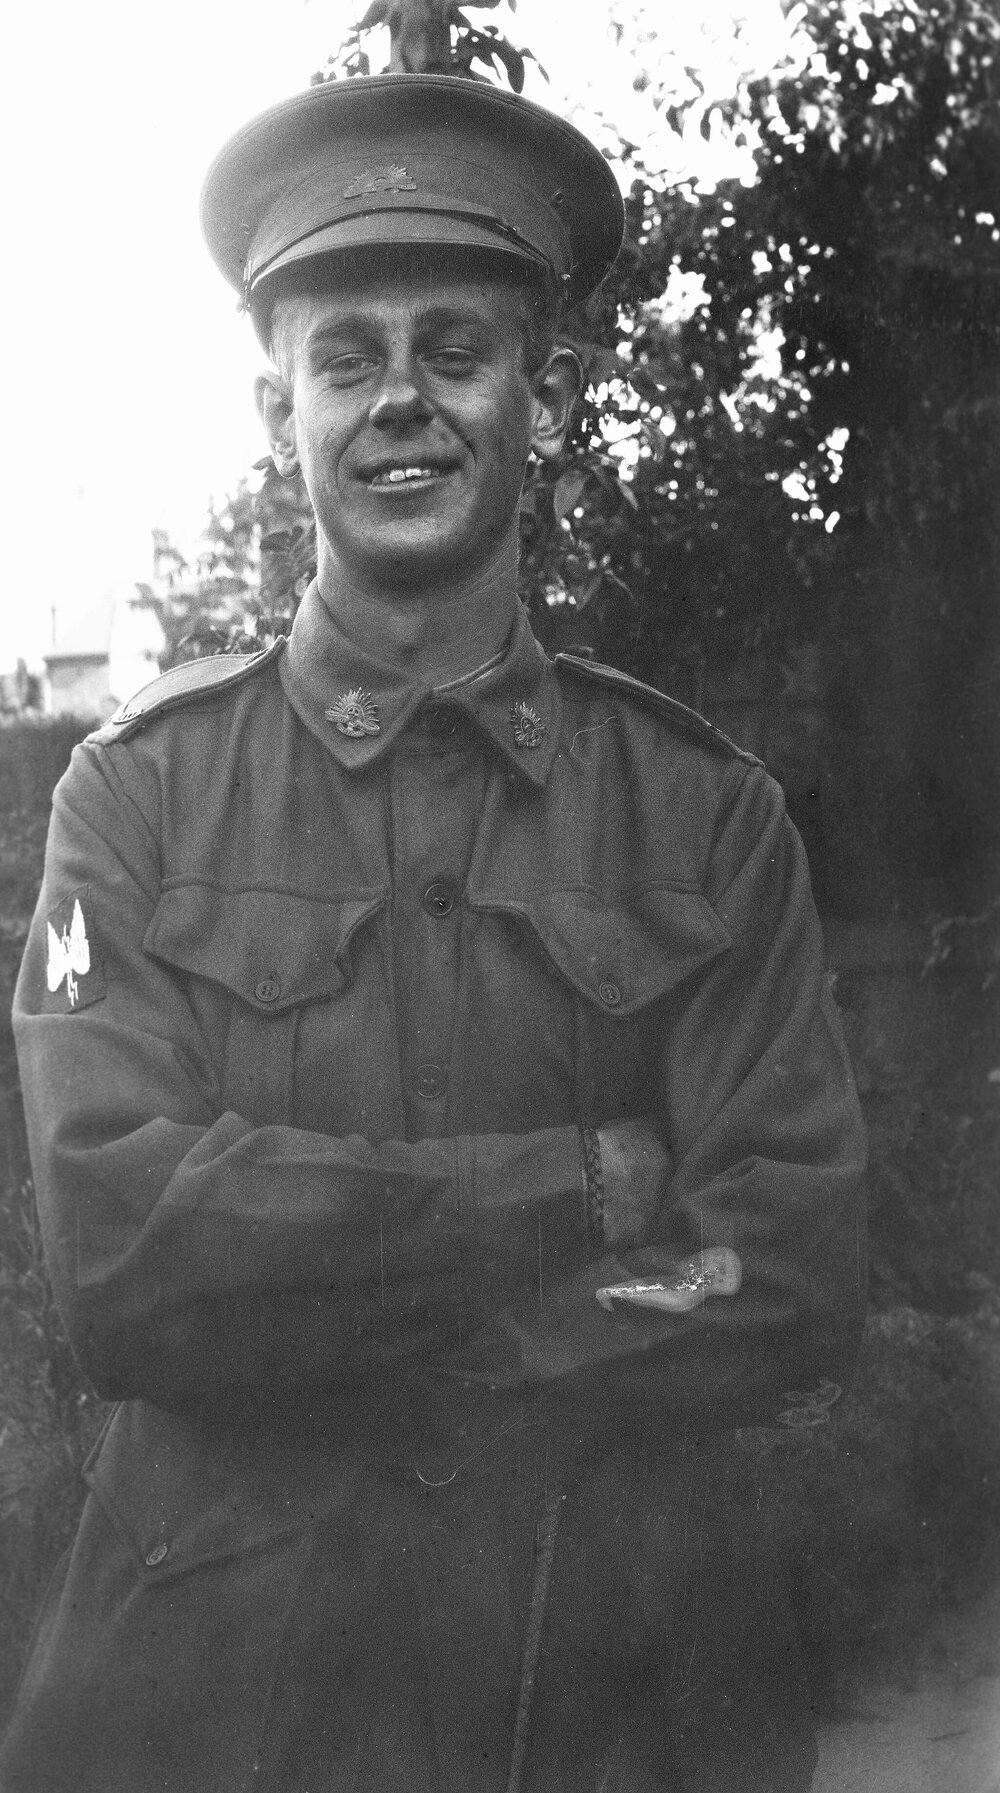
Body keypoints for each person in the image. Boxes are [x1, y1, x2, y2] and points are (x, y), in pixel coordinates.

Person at [2, 72, 866, 1793]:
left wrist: (367, 1335)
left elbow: (781, 1264)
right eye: (347, 357)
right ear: (281, 410)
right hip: (216, 1704)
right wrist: (593, 1192)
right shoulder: (135, 800)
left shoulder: (705, 814)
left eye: (455, 348)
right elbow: (125, 1261)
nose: (402, 401)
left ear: (541, 397)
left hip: (619, 1690)